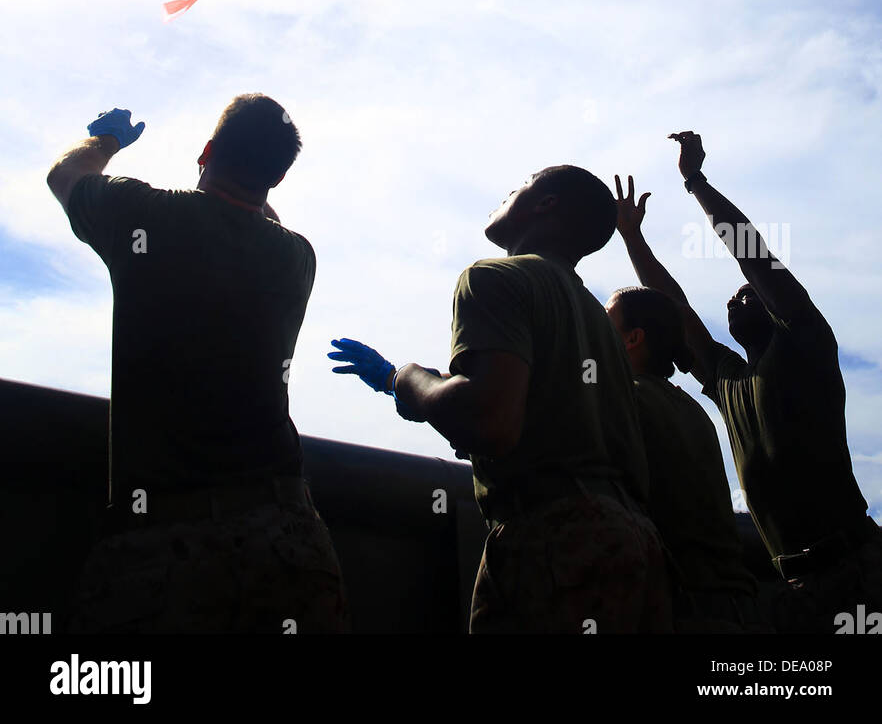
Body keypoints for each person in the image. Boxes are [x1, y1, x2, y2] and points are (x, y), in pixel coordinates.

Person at [47, 96, 348, 634]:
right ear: (277, 179)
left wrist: (108, 140)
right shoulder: (298, 258)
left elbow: (66, 174)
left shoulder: (143, 214)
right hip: (290, 538)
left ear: (208, 149)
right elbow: (254, 221)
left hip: (163, 546)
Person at [328, 164, 672, 634]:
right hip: (637, 547)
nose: (504, 196)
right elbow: (546, 423)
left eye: (518, 187)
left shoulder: (492, 278)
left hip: (555, 539)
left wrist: (407, 379)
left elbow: (491, 423)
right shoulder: (599, 325)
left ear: (544, 203)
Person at [617, 132, 881, 633]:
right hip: (795, 586)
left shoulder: (804, 344)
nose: (738, 298)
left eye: (749, 294)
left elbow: (752, 255)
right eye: (733, 299)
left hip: (861, 568)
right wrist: (633, 238)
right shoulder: (726, 379)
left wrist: (695, 182)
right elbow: (673, 308)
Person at [606, 226, 763, 632]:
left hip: (679, 607)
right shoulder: (693, 410)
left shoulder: (626, 399)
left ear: (632, 339)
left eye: (606, 323)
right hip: (734, 607)